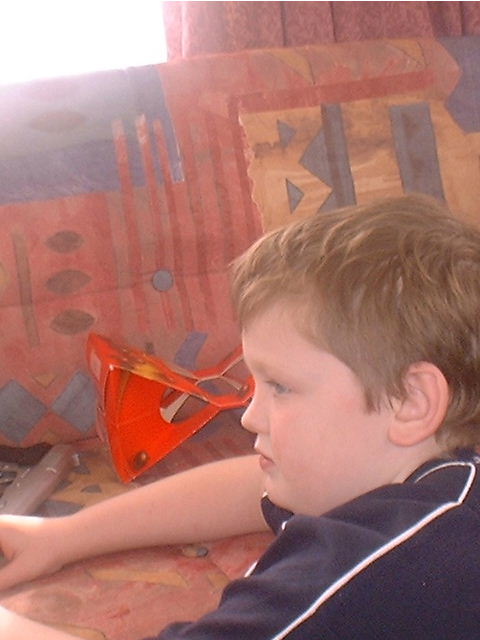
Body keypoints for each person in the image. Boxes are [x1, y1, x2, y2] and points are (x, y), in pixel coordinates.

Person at [1, 193, 480, 639]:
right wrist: (62, 536)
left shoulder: (371, 566)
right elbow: (254, 486)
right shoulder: (437, 477)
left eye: (280, 387)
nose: (250, 416)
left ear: (411, 402)